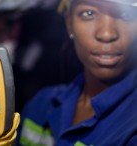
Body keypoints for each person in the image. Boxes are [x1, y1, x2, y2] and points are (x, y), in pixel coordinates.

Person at [17, 0, 137, 145]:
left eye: (127, 15)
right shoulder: (41, 105)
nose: (106, 34)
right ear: (69, 24)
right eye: (89, 13)